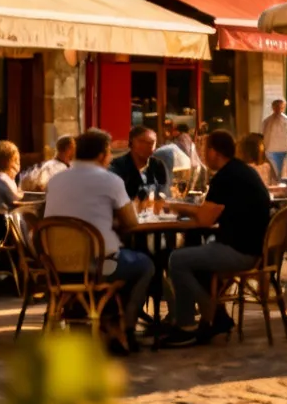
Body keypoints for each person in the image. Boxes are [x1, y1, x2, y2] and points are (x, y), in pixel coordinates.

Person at [42, 129, 153, 354]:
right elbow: (131, 223)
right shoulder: (110, 180)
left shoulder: (55, 180)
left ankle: (102, 322)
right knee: (145, 264)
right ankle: (126, 328)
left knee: (121, 259)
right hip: (99, 266)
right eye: (110, 153)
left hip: (57, 267)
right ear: (103, 154)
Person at [161, 129, 272, 347]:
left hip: (240, 251)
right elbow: (211, 215)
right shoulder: (241, 171)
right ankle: (215, 316)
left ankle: (188, 326)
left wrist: (173, 206)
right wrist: (190, 210)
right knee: (195, 256)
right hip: (252, 247)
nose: (202, 154)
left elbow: (204, 220)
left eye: (204, 149)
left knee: (177, 259)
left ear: (213, 152)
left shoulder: (226, 176)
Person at [110, 126, 171, 202]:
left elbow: (164, 192)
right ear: (132, 142)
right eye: (142, 141)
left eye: (152, 142)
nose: (147, 146)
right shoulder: (117, 166)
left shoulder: (158, 165)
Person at [261, 99, 287, 180]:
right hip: (271, 150)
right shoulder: (267, 121)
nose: (279, 108)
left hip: (283, 150)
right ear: (273, 107)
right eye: (277, 106)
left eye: (281, 107)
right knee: (274, 172)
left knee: (282, 173)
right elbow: (263, 134)